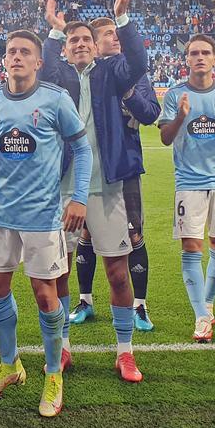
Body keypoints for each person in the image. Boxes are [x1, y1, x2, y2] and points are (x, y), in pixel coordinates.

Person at [0, 30, 91, 418]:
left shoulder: (55, 99)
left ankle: (53, 374)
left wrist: (78, 196)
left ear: (38, 62)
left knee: (45, 294)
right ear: (4, 61)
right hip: (1, 214)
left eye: (24, 52)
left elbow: (81, 148)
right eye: (11, 52)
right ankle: (10, 364)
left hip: (43, 216)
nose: (16, 57)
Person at [40, 0, 148, 383]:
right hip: (63, 190)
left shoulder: (111, 73)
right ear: (67, 48)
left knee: (117, 273)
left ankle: (125, 352)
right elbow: (45, 64)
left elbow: (137, 60)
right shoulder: (58, 78)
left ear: (96, 45)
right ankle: (64, 347)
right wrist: (54, 29)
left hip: (108, 188)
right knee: (60, 272)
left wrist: (122, 15)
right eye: (74, 40)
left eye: (86, 39)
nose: (81, 44)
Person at [67, 17, 160, 331]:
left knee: (133, 234)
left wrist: (129, 95)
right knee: (86, 235)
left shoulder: (131, 74)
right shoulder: (84, 76)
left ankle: (140, 305)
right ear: (96, 43)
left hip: (123, 166)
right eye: (108, 33)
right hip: (85, 170)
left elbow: (150, 113)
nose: (115, 37)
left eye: (117, 32)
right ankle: (85, 300)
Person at [158, 35, 215, 342]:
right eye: (193, 53)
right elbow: (165, 138)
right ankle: (201, 315)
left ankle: (208, 302)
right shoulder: (175, 95)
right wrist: (180, 117)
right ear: (186, 59)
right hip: (188, 182)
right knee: (191, 247)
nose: (199, 57)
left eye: (205, 52)